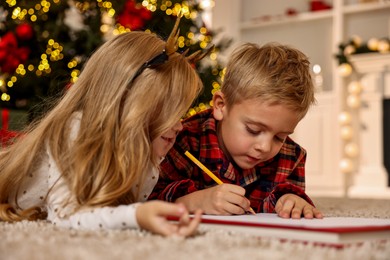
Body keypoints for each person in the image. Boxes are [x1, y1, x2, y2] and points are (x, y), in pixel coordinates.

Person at [0, 17, 206, 236]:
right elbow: (66, 216)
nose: (179, 126)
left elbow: (105, 215)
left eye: (180, 114)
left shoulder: (144, 161)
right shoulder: (77, 129)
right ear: (126, 102)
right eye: (170, 112)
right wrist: (137, 215)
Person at [149, 42, 324, 219]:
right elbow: (147, 204)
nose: (265, 146)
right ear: (221, 105)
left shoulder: (291, 156)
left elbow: (289, 210)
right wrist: (193, 202)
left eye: (280, 137)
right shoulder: (181, 141)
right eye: (253, 130)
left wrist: (292, 201)